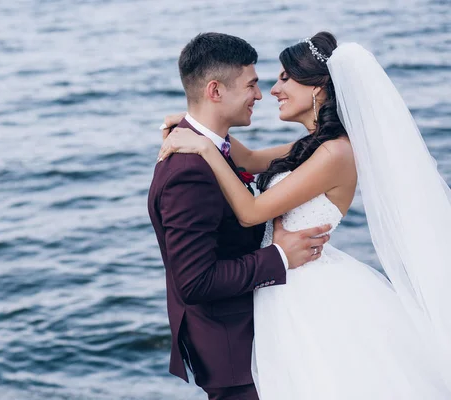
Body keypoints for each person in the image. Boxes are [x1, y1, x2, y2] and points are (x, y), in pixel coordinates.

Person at [157, 31, 451, 399]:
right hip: (279, 285)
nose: (272, 91)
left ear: (316, 89)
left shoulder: (335, 154)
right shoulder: (311, 147)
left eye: (283, 78)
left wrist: (203, 146)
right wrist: (194, 124)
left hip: (304, 286)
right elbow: (245, 160)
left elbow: (250, 214)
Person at [147, 32, 332, 400]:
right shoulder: (190, 169)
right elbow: (195, 283)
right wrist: (279, 256)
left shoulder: (211, 146)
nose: (261, 95)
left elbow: (284, 156)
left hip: (254, 333)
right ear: (215, 91)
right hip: (233, 352)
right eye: (252, 84)